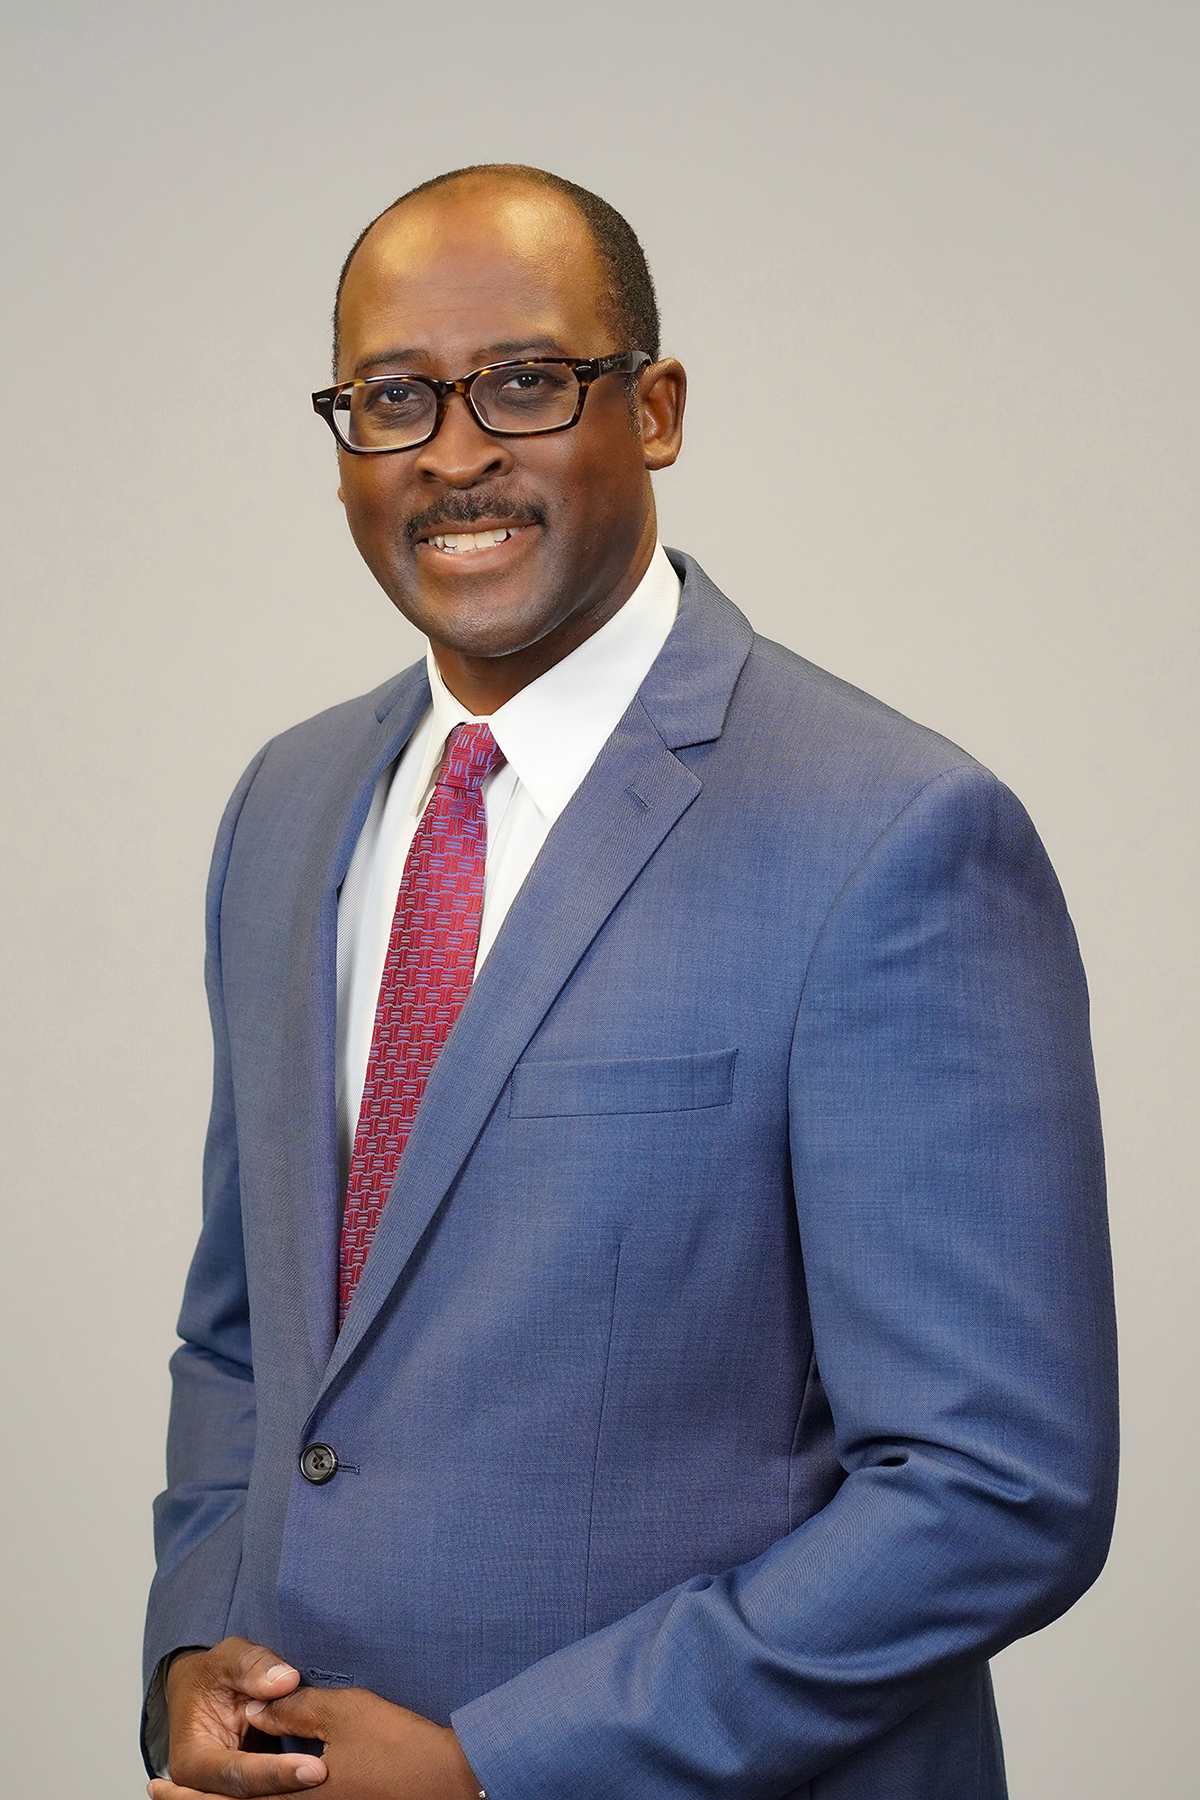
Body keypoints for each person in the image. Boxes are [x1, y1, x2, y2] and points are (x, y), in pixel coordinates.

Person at [143, 164, 1118, 1800]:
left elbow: (993, 1486)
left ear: (654, 410)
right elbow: (246, 1345)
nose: (454, 452)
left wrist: (499, 1769)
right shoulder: (290, 804)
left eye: (525, 381)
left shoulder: (890, 834)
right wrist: (191, 1657)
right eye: (392, 398)